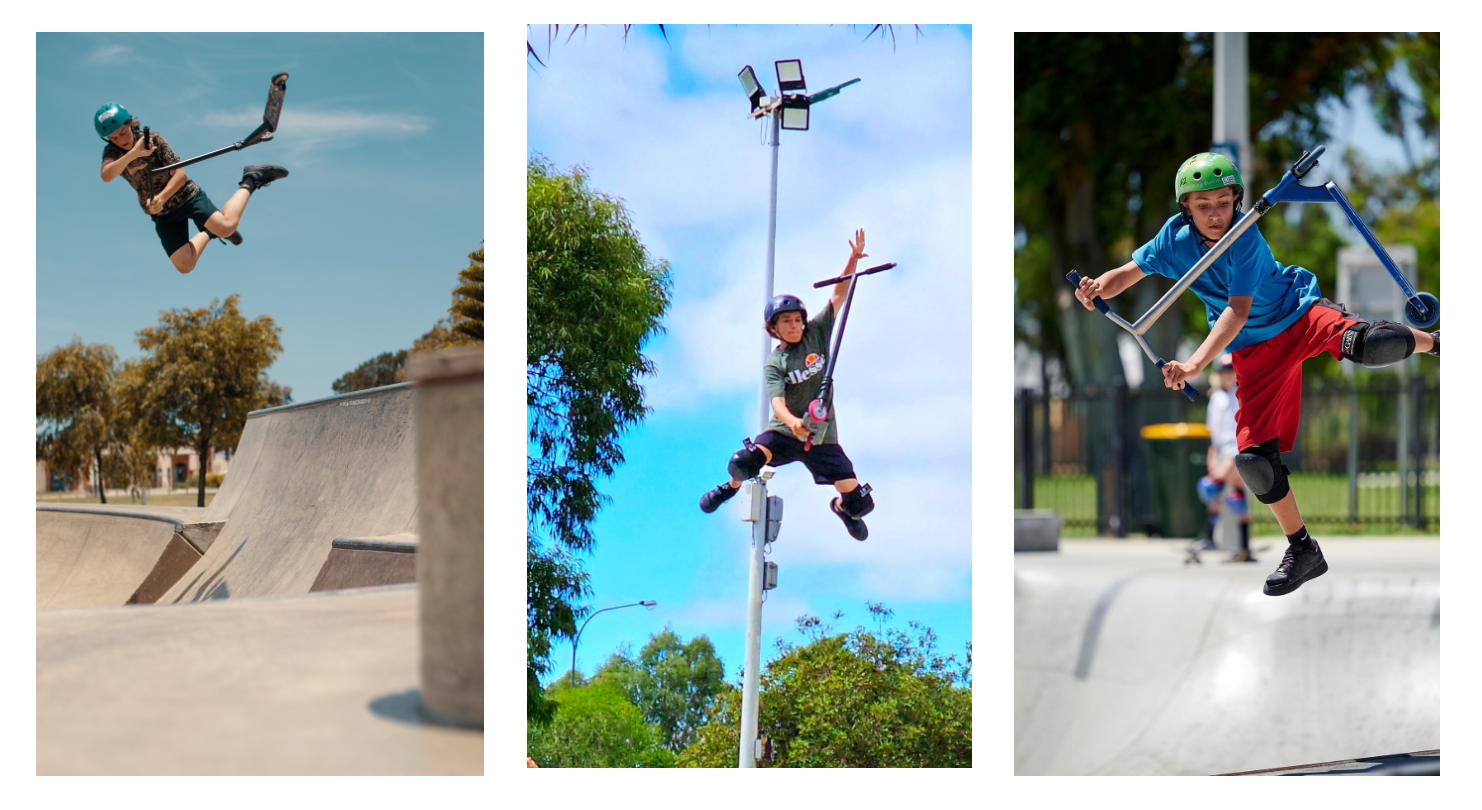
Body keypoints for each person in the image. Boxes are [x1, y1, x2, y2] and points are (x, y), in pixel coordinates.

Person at [1074, 152, 1438, 596]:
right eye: (1203, 204)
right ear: (1185, 208)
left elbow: (1237, 311)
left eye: (1223, 202)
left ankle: (1438, 343)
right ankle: (1303, 549)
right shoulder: (1173, 240)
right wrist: (1097, 287)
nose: (1214, 214)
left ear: (1235, 200)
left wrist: (1193, 364)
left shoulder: (1244, 236)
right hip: (1254, 354)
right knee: (1254, 462)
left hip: (1298, 315)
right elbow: (1128, 273)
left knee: (1372, 344)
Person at [698, 229, 877, 541]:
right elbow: (777, 403)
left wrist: (852, 260)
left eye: (797, 320)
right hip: (785, 432)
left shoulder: (816, 333)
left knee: (860, 504)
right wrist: (793, 423)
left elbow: (838, 295)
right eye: (786, 322)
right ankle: (730, 487)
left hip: (821, 437)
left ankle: (840, 508)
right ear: (773, 328)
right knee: (745, 461)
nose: (794, 326)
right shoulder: (775, 362)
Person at [97, 103, 289, 274]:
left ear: (130, 123)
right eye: (113, 138)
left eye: (123, 132)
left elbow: (180, 175)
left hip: (186, 197)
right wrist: (134, 153)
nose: (120, 140)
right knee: (185, 266)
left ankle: (252, 178)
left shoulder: (153, 139)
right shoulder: (113, 152)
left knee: (227, 226)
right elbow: (107, 175)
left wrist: (162, 197)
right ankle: (208, 231)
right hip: (162, 213)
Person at [1194, 353, 1254, 562]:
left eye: (1231, 372)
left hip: (1238, 449)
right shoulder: (1216, 398)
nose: (1228, 376)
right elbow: (1214, 432)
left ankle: (1210, 538)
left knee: (1211, 487)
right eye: (1224, 372)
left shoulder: (1241, 394)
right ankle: (1244, 548)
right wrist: (1212, 456)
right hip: (1222, 450)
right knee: (1236, 497)